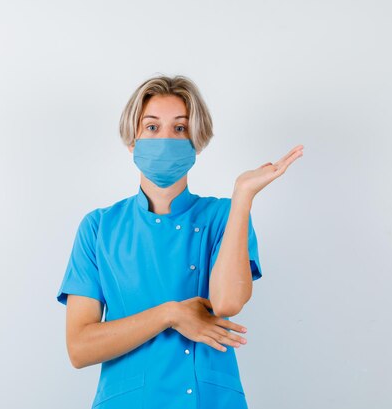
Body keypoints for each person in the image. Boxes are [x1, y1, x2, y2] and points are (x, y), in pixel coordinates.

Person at [55, 74, 303, 409]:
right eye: (152, 127)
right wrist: (170, 314)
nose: (165, 139)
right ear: (133, 140)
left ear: (196, 142)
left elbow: (228, 302)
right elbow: (80, 348)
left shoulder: (222, 216)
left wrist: (243, 195)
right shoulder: (99, 228)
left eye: (180, 128)